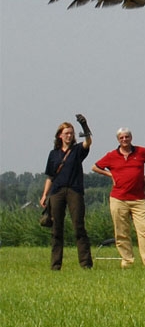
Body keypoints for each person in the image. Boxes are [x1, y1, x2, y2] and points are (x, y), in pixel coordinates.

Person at [92, 127, 145, 268]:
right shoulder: (111, 156)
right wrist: (110, 174)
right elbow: (95, 167)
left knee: (144, 230)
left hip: (139, 199)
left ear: (131, 137)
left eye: (127, 137)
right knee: (121, 231)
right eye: (121, 137)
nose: (124, 139)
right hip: (118, 198)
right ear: (118, 140)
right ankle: (127, 260)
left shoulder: (141, 152)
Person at [40, 115, 93, 270]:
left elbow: (88, 142)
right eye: (66, 133)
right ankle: (55, 265)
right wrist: (45, 195)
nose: (69, 136)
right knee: (56, 228)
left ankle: (86, 264)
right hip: (57, 192)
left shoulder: (77, 150)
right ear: (60, 135)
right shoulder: (53, 154)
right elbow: (50, 176)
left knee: (78, 227)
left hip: (74, 191)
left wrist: (84, 125)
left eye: (71, 133)